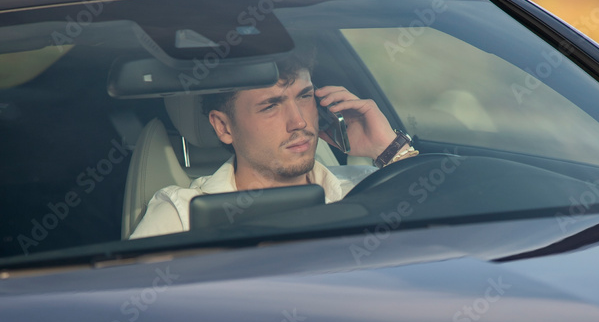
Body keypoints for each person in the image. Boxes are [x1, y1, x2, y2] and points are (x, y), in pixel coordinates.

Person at [130, 51, 418, 239]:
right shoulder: (182, 215)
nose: (299, 122)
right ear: (223, 126)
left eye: (305, 97)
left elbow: (444, 241)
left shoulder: (368, 188)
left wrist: (389, 149)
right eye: (270, 106)